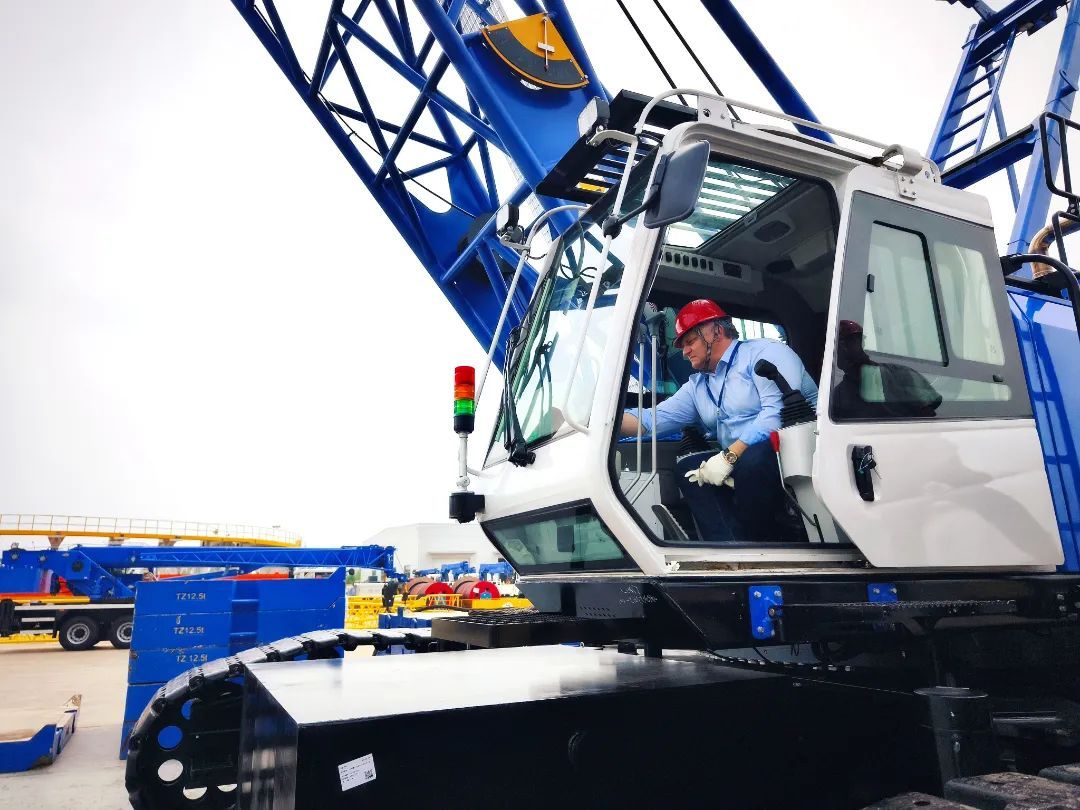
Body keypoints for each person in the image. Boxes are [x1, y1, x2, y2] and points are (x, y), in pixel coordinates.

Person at [620, 299, 817, 542]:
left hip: (794, 449)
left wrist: (729, 456)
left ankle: (766, 543)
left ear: (715, 332)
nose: (685, 352)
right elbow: (652, 419)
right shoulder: (697, 386)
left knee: (753, 461)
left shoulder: (765, 353)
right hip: (741, 458)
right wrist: (605, 424)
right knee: (688, 467)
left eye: (690, 341)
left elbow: (777, 413)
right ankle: (733, 548)